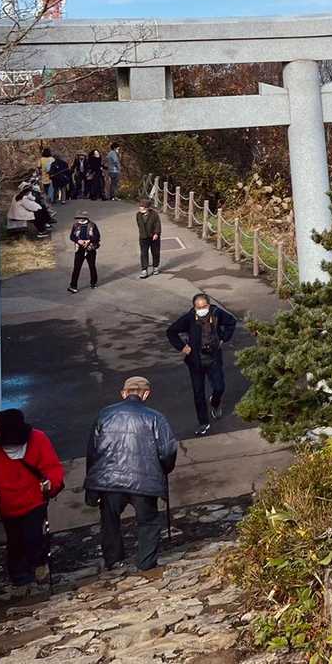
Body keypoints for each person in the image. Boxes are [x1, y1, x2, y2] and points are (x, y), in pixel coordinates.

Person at [84, 375, 177, 572]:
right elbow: (168, 451)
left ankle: (114, 561)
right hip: (143, 480)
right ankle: (146, 562)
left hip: (109, 479)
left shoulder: (104, 415)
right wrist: (164, 469)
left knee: (110, 522)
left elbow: (92, 451)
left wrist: (92, 486)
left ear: (124, 393)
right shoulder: (155, 417)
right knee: (148, 522)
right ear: (146, 394)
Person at [0, 408, 64, 588]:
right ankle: (20, 576)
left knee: (33, 537)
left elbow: (52, 467)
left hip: (34, 500)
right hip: (9, 506)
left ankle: (38, 567)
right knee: (15, 542)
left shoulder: (38, 439)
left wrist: (50, 482)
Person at [166, 292, 236, 436]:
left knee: (219, 387)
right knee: (198, 393)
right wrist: (182, 347)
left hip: (213, 359)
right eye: (198, 307)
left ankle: (215, 402)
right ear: (194, 307)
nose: (202, 309)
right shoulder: (189, 318)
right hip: (195, 361)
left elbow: (231, 322)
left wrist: (223, 338)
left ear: (208, 305)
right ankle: (203, 422)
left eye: (204, 306)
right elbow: (171, 331)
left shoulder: (216, 313)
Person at [68, 211, 101, 293]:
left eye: (80, 218)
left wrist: (89, 241)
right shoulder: (76, 225)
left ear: (85, 218)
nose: (78, 219)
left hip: (90, 248)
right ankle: (73, 286)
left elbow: (97, 237)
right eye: (77, 218)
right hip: (79, 249)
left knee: (92, 266)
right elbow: (72, 236)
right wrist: (78, 240)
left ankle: (93, 283)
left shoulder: (92, 225)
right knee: (76, 268)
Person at [136, 197, 161, 278]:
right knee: (143, 253)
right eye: (140, 206)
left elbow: (157, 224)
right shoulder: (138, 214)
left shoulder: (154, 214)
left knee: (155, 252)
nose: (140, 208)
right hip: (143, 237)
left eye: (142, 207)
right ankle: (144, 270)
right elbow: (139, 225)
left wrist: (156, 233)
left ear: (147, 208)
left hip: (154, 237)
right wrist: (142, 233)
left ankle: (155, 267)